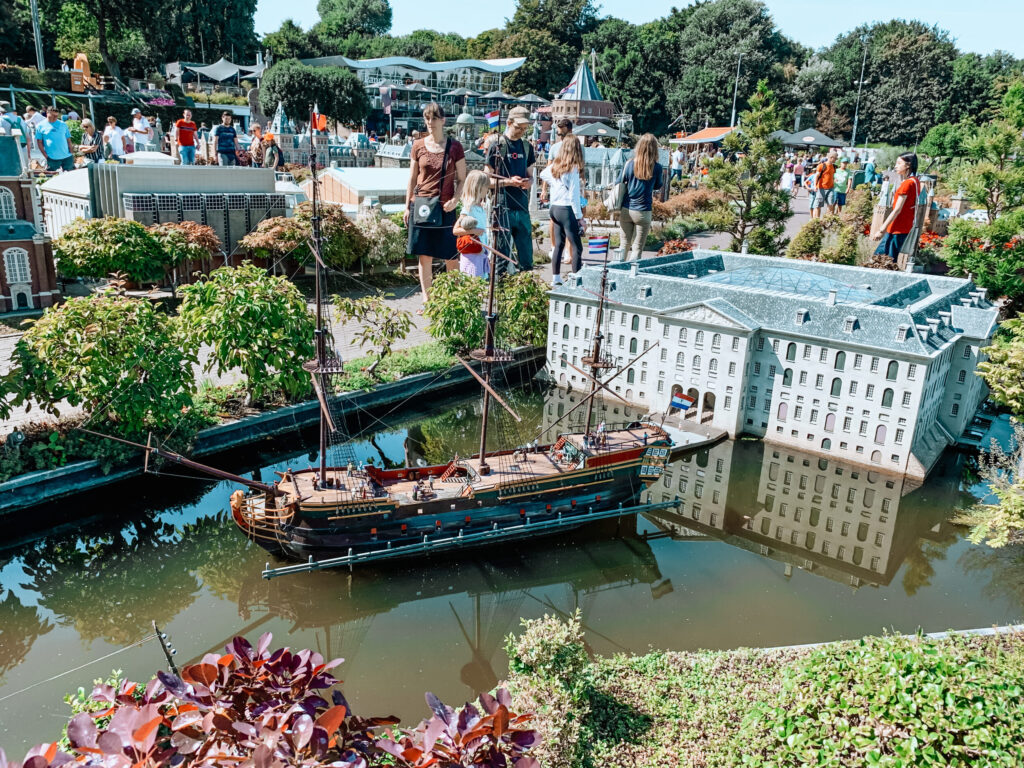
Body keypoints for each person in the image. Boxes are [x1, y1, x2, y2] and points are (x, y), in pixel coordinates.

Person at [404, 102, 467, 306]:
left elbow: (462, 179)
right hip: (421, 204)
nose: (430, 122)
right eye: (426, 118)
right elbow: (412, 178)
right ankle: (427, 299)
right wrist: (406, 207)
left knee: (451, 255)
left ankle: (453, 299)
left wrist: (455, 200)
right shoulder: (418, 145)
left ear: (443, 120)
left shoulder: (455, 147)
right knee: (425, 255)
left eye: (433, 118)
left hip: (445, 206)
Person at [485, 106, 536, 277]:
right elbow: (487, 180)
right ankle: (500, 288)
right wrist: (508, 182)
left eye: (524, 128)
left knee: (526, 258)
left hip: (522, 207)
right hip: (502, 206)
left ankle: (527, 292)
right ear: (509, 123)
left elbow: (531, 175)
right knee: (501, 255)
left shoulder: (527, 147)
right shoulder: (497, 146)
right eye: (518, 127)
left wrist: (529, 182)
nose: (521, 131)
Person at [540, 134, 585, 285]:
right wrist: (579, 218)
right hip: (566, 208)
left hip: (554, 207)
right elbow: (574, 196)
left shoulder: (555, 167)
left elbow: (543, 174)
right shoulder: (573, 169)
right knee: (576, 246)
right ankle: (576, 280)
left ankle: (556, 278)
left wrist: (555, 183)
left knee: (558, 244)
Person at [616, 133, 663, 262]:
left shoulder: (629, 164)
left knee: (624, 244)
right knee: (637, 248)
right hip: (643, 210)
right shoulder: (657, 167)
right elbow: (658, 185)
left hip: (627, 208)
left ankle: (617, 270)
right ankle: (631, 274)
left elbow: (618, 182)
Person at [872, 152, 920, 263]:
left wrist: (881, 230)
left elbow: (897, 210)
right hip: (904, 227)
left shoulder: (907, 184)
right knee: (885, 260)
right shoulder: (915, 181)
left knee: (881, 261)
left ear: (908, 165)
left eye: (899, 163)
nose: (895, 166)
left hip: (896, 228)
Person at [540, 118, 573, 257]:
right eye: (559, 134)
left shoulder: (576, 147)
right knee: (553, 220)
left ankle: (568, 251)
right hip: (556, 190)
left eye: (563, 134)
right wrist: (543, 189)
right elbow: (548, 169)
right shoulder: (554, 148)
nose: (561, 137)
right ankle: (554, 247)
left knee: (571, 222)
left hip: (570, 188)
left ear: (570, 131)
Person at [452, 170, 490, 278]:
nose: (487, 189)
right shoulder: (468, 208)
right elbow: (456, 230)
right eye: (485, 186)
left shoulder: (480, 207)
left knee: (480, 283)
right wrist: (473, 231)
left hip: (480, 252)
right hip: (472, 253)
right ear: (478, 188)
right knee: (473, 283)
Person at [35, 106, 75, 171]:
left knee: (70, 177)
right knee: (52, 178)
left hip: (67, 157)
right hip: (52, 158)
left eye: (57, 116)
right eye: (53, 115)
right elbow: (39, 142)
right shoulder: (40, 126)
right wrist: (46, 156)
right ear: (47, 113)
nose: (55, 117)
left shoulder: (63, 124)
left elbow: (68, 140)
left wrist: (71, 153)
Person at [811, 150, 837, 218]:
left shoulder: (834, 167)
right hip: (821, 188)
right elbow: (816, 176)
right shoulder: (821, 166)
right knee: (818, 205)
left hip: (830, 188)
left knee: (830, 204)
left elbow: (831, 176)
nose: (836, 160)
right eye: (835, 158)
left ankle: (826, 220)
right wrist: (814, 186)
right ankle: (817, 220)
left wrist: (834, 181)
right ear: (831, 157)